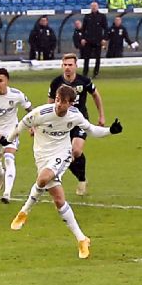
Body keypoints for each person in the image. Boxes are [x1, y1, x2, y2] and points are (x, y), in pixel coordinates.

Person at [4, 85, 122, 259]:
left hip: (62, 154)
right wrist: (8, 140)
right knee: (59, 200)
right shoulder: (41, 113)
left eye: (63, 102)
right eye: (58, 100)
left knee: (43, 179)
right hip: (41, 156)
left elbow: (91, 130)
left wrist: (110, 131)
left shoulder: (75, 115)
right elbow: (21, 125)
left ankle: (25, 211)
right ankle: (82, 239)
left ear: (71, 103)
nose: (59, 104)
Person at [49, 54, 104, 196]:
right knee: (66, 154)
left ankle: (62, 177)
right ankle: (82, 179)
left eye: (70, 65)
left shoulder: (84, 81)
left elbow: (96, 95)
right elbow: (49, 104)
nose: (67, 68)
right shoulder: (56, 83)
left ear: (75, 66)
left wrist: (101, 115)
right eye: (65, 65)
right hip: (61, 122)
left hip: (80, 120)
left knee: (76, 151)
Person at [0, 69, 32, 203]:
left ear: (7, 81)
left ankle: (7, 193)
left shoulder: (17, 95)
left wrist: (32, 126)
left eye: (0, 80)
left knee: (9, 159)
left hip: (11, 132)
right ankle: (0, 173)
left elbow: (30, 110)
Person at [81, 2, 107, 77]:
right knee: (86, 58)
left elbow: (105, 28)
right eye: (92, 6)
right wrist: (83, 38)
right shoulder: (87, 16)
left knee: (98, 58)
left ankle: (96, 73)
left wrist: (104, 39)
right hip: (88, 40)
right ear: (90, 7)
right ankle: (85, 73)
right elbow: (83, 29)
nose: (94, 7)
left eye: (95, 6)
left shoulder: (102, 16)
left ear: (98, 7)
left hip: (98, 40)